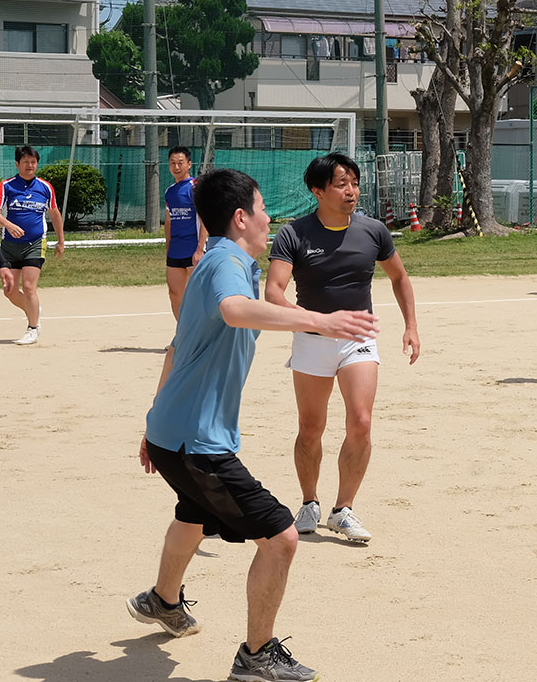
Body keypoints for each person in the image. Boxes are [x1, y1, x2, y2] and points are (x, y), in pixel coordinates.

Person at [128, 168, 379, 682]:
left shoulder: (232, 262)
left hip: (175, 432)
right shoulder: (224, 263)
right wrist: (320, 320)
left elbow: (178, 348)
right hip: (195, 442)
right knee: (282, 537)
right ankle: (256, 655)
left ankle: (162, 601)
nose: (271, 218)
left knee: (194, 516)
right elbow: (237, 311)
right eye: (263, 208)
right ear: (240, 218)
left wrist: (154, 424)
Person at [266, 152, 420, 543]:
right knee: (311, 427)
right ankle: (309, 502)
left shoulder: (373, 230)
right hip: (312, 341)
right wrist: (312, 320)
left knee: (362, 422)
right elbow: (273, 292)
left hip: (359, 339)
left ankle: (343, 509)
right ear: (318, 191)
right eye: (340, 183)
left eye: (353, 182)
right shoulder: (294, 233)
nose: (350, 190)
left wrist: (411, 327)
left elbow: (400, 277)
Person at [0, 145, 64, 344]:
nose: (30, 166)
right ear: (17, 164)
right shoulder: (6, 186)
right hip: (9, 245)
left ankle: (33, 328)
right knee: (10, 290)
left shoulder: (45, 187)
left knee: (29, 286)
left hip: (35, 242)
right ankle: (34, 310)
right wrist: (8, 224)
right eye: (26, 162)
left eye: (33, 162)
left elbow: (54, 213)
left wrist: (61, 240)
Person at [164, 146, 208, 319]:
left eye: (180, 163)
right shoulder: (170, 191)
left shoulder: (195, 187)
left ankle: (204, 339)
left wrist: (199, 249)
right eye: (172, 163)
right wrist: (168, 247)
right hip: (176, 250)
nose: (176, 167)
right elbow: (169, 221)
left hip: (193, 250)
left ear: (189, 164)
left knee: (199, 297)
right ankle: (182, 336)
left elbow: (204, 218)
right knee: (175, 295)